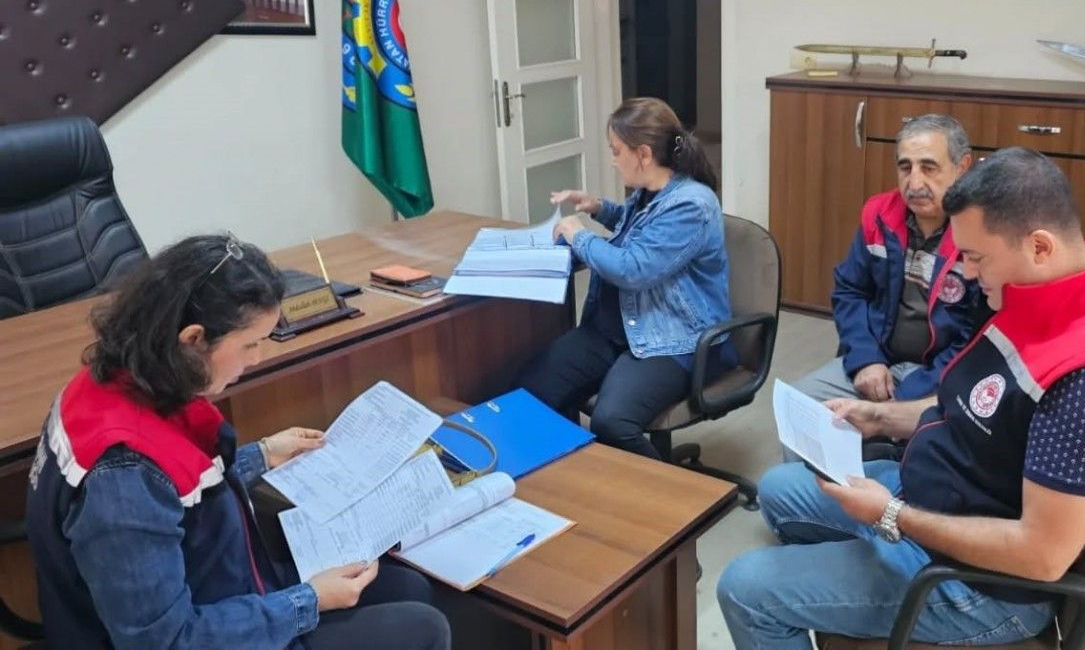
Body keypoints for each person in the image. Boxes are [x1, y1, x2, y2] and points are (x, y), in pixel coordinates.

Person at [717, 147, 1085, 648]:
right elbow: (971, 410)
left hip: (980, 585)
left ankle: (817, 594)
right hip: (939, 494)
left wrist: (891, 516)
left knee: (744, 588)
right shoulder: (1037, 297)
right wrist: (879, 417)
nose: (967, 274)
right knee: (779, 490)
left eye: (976, 257)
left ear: (1040, 246)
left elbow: (1042, 557)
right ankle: (836, 589)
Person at [25, 235, 450, 650]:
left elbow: (174, 493)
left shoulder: (122, 380)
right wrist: (307, 601)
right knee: (423, 629)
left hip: (213, 586)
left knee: (406, 587)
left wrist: (260, 455)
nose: (257, 359)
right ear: (193, 340)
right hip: (195, 629)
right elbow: (165, 640)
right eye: (250, 344)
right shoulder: (122, 477)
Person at [517, 97, 736, 460]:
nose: (613, 160)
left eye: (617, 151)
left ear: (644, 154)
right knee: (533, 392)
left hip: (673, 338)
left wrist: (578, 234)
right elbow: (643, 230)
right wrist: (599, 208)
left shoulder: (691, 204)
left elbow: (633, 269)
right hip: (620, 327)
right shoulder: (651, 191)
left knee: (612, 422)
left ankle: (667, 492)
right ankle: (568, 475)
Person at [792, 115, 983, 417]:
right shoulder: (880, 215)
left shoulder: (982, 232)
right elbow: (850, 291)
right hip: (879, 363)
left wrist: (909, 395)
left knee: (912, 430)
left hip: (941, 377)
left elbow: (977, 336)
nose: (914, 183)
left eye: (929, 167)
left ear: (962, 167)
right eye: (905, 167)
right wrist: (866, 360)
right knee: (798, 408)